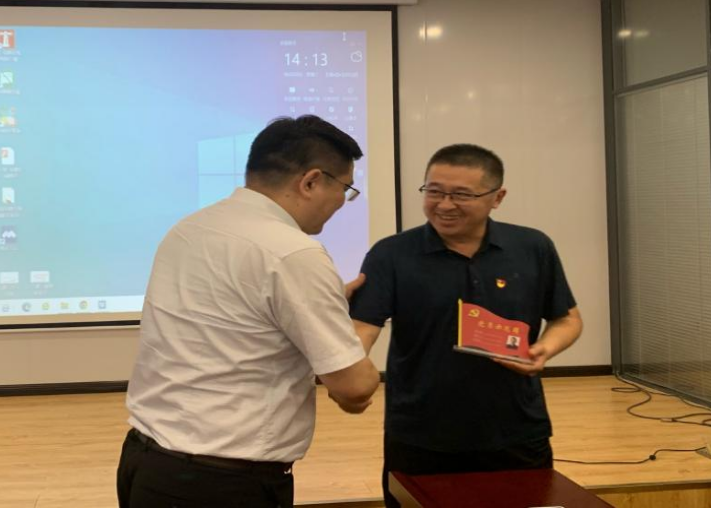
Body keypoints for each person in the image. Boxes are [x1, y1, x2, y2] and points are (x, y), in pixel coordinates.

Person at [117, 115, 381, 508]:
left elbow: (234, 314)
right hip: (221, 483)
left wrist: (320, 304)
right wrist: (355, 332)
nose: (342, 202)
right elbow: (354, 387)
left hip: (145, 461)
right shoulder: (294, 253)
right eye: (345, 188)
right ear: (311, 182)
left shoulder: (190, 228)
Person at [349, 144, 582, 507]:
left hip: (517, 429)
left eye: (461, 195)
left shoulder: (532, 247)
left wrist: (543, 350)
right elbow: (363, 328)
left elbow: (567, 319)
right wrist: (348, 380)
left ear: (497, 197)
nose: (444, 205)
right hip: (420, 432)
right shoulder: (391, 254)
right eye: (434, 191)